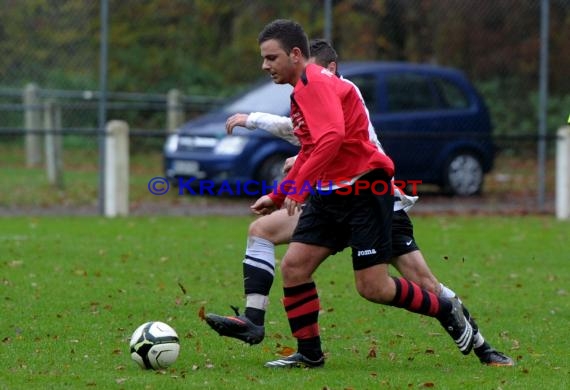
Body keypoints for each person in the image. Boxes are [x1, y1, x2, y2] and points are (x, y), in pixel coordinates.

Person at [205, 39, 514, 367]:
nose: (267, 66)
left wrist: (292, 166)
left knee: (417, 284)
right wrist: (269, 143)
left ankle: (481, 345)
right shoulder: (307, 92)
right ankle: (279, 335)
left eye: (272, 58)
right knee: (277, 247)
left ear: (328, 69)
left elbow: (334, 139)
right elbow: (308, 136)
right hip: (331, 196)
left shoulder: (338, 88)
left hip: (373, 198)